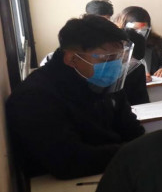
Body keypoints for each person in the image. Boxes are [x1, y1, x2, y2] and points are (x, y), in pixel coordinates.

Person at [6, 15, 144, 179]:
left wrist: (142, 149)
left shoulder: (103, 81)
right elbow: (69, 161)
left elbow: (133, 131)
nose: (116, 65)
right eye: (108, 58)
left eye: (119, 57)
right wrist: (133, 151)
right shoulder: (34, 96)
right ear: (72, 59)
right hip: (63, 185)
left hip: (114, 169)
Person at [114, 6, 162, 80]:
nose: (140, 34)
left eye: (144, 30)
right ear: (124, 27)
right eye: (135, 30)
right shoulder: (115, 44)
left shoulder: (156, 41)